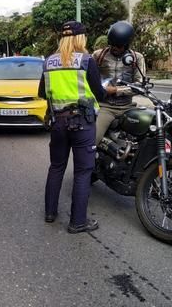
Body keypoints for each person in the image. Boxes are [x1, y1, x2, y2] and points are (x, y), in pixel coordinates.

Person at [38, 21, 117, 234]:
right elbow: (99, 94)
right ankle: (78, 222)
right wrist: (108, 91)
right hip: (82, 123)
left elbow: (42, 93)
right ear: (80, 38)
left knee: (56, 167)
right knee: (83, 172)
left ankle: (50, 213)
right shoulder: (86, 60)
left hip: (58, 122)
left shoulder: (48, 62)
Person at [93, 21, 146, 146]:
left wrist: (116, 90)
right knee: (92, 140)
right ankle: (91, 164)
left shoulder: (136, 58)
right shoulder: (98, 56)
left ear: (126, 45)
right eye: (112, 45)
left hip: (128, 106)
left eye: (119, 45)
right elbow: (90, 79)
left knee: (144, 137)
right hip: (105, 107)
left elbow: (140, 85)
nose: (115, 48)